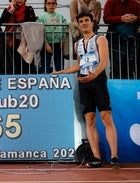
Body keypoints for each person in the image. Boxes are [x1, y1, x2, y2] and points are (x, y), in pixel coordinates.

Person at [52, 11, 119, 168]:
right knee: (89, 119)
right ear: (78, 24)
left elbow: (103, 61)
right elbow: (79, 65)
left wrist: (94, 74)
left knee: (106, 117)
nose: (84, 23)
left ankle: (114, 156)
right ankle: (96, 157)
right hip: (84, 83)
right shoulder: (77, 44)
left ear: (92, 22)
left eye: (86, 20)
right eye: (81, 21)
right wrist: (62, 71)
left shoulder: (100, 39)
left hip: (97, 81)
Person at [103, 0, 140, 79]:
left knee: (130, 66)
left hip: (130, 41)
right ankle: (115, 89)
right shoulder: (110, 2)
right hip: (115, 40)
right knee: (116, 66)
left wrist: (136, 18)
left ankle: (129, 89)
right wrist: (121, 19)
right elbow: (106, 19)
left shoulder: (135, 3)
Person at [0, 0, 37, 74]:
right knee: (12, 63)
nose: (19, 0)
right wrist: (11, 10)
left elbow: (31, 22)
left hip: (25, 41)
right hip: (11, 41)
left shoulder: (29, 9)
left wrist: (16, 25)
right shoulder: (7, 10)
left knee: (26, 64)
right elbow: (1, 22)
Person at [37, 0, 67, 73]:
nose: (51, 5)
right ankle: (45, 81)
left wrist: (62, 41)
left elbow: (65, 28)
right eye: (49, 3)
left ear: (56, 5)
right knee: (45, 66)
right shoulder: (42, 16)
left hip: (58, 44)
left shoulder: (60, 16)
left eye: (53, 3)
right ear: (45, 5)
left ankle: (60, 81)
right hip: (46, 44)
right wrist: (46, 43)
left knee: (60, 66)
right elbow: (40, 30)